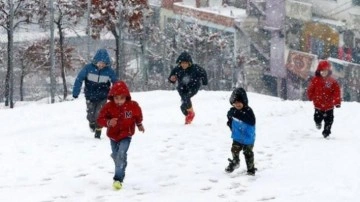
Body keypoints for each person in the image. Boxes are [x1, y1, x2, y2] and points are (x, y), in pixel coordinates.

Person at [97, 81, 144, 190]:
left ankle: (118, 179)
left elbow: (138, 115)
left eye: (121, 98)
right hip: (113, 136)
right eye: (116, 98)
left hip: (126, 134)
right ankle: (121, 163)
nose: (119, 101)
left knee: (121, 154)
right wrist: (108, 122)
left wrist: (139, 124)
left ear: (126, 97)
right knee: (116, 155)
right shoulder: (108, 106)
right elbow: (100, 119)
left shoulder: (132, 106)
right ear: (112, 97)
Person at [72, 49, 118, 139]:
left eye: (104, 63)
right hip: (90, 95)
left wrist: (117, 95)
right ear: (95, 61)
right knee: (91, 115)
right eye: (100, 63)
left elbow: (116, 83)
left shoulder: (109, 71)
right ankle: (92, 123)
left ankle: (98, 131)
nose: (101, 65)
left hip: (103, 97)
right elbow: (79, 79)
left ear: (107, 63)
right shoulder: (88, 68)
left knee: (100, 114)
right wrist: (75, 92)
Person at [168, 51, 208, 124]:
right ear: (180, 63)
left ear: (189, 63)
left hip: (193, 87)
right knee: (183, 107)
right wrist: (171, 79)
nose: (184, 65)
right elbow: (171, 77)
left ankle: (191, 115)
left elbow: (203, 72)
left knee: (186, 98)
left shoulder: (195, 68)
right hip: (182, 88)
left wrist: (205, 82)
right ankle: (190, 114)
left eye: (185, 63)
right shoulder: (177, 69)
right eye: (182, 63)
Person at [225, 87, 257, 175]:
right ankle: (235, 162)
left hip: (248, 138)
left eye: (239, 102)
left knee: (248, 153)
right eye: (235, 103)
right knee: (234, 150)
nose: (237, 104)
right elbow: (230, 120)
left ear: (244, 101)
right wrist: (230, 124)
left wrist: (236, 114)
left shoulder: (248, 111)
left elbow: (251, 121)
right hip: (237, 137)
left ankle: (250, 169)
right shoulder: (232, 111)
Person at [307, 60, 341, 138]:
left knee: (329, 121)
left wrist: (337, 102)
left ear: (328, 71)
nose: (323, 73)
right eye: (321, 71)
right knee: (317, 118)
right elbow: (310, 89)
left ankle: (326, 132)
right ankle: (318, 123)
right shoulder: (315, 80)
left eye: (325, 71)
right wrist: (310, 96)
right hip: (318, 105)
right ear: (319, 71)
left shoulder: (332, 81)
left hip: (329, 105)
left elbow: (336, 92)